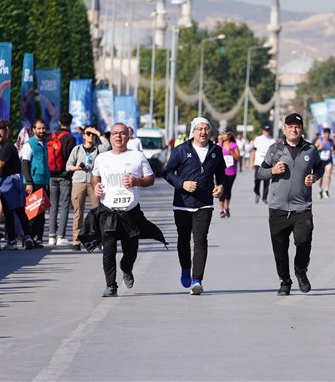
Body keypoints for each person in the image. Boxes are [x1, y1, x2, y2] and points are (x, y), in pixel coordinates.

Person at [257, 113, 324, 296]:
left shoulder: (310, 149)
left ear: (301, 129)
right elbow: (260, 172)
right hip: (277, 208)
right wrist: (272, 170)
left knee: (304, 241)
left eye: (297, 126)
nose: (293, 129)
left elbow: (320, 167)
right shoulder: (275, 150)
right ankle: (285, 282)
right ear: (284, 129)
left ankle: (301, 271)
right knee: (280, 250)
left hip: (302, 207)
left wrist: (314, 177)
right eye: (290, 126)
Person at [90, 123, 156, 297]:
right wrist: (96, 186)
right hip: (108, 211)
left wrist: (136, 181)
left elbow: (150, 178)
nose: (118, 137)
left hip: (130, 211)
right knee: (108, 250)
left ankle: (126, 267)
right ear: (110, 137)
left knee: (131, 249)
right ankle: (111, 285)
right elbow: (94, 177)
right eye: (114, 133)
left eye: (122, 133)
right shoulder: (102, 158)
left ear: (128, 136)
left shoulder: (137, 156)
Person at [162, 117, 225, 295]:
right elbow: (167, 172)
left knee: (200, 240)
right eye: (200, 129)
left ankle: (197, 280)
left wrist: (220, 186)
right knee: (183, 239)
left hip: (204, 204)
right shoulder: (182, 150)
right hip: (182, 204)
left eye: (206, 129)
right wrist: (182, 184)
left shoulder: (216, 151)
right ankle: (185, 268)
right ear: (193, 132)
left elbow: (221, 172)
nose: (203, 132)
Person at [0, 122, 34, 250]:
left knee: (9, 212)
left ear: (6, 133)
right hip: (14, 181)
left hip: (9, 182)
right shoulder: (7, 146)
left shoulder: (6, 147)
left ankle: (12, 241)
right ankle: (28, 237)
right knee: (19, 211)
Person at [66, 125, 109, 251]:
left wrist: (97, 132)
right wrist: (78, 167)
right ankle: (76, 240)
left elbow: (107, 146)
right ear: (83, 136)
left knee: (98, 212)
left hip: (93, 182)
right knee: (78, 212)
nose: (91, 136)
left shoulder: (98, 149)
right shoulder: (77, 149)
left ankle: (99, 240)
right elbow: (68, 166)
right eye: (88, 133)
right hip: (78, 181)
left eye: (92, 134)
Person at [20, 119, 50, 248]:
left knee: (41, 212)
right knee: (32, 212)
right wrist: (28, 182)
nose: (41, 131)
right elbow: (25, 163)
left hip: (43, 181)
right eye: (39, 128)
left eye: (43, 128)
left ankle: (38, 237)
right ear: (33, 130)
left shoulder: (45, 143)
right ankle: (29, 238)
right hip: (33, 182)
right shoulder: (29, 144)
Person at [48, 112, 76, 246]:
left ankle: (51, 236)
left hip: (51, 175)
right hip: (65, 175)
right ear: (70, 123)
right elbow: (70, 157)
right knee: (64, 206)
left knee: (52, 206)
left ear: (59, 122)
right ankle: (61, 236)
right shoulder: (70, 138)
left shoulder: (51, 136)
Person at [218, 129, 240, 218]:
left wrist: (231, 152)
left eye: (225, 134)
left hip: (231, 171)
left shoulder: (234, 145)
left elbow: (238, 158)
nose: (223, 136)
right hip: (221, 171)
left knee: (228, 190)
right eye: (222, 134)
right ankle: (221, 210)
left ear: (229, 136)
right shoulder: (219, 145)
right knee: (221, 189)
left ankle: (226, 207)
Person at [250, 125, 275, 204]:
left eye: (268, 130)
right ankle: (257, 193)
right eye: (265, 130)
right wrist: (251, 161)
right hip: (258, 162)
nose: (267, 132)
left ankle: (264, 198)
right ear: (263, 131)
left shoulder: (272, 140)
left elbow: (274, 153)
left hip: (268, 163)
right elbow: (253, 151)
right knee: (257, 179)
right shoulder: (258, 139)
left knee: (266, 181)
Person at [314, 127, 335, 199]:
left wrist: (333, 151)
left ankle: (326, 190)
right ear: (323, 134)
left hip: (328, 161)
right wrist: (319, 148)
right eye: (325, 134)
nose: (326, 135)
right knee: (320, 177)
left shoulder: (332, 141)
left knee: (328, 175)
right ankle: (320, 189)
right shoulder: (319, 140)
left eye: (328, 134)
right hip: (320, 162)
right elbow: (313, 150)